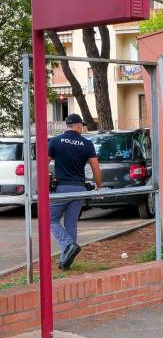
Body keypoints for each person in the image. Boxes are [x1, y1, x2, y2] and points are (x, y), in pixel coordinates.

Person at [48, 114, 102, 270]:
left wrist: (44, 184)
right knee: (71, 224)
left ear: (67, 126)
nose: (82, 128)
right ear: (78, 126)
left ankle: (68, 245)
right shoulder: (86, 143)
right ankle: (65, 261)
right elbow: (95, 167)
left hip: (62, 188)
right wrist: (99, 186)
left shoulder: (56, 141)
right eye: (82, 126)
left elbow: (43, 163)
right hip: (79, 189)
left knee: (50, 220)